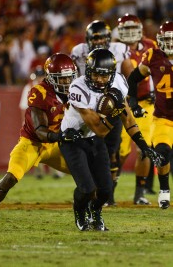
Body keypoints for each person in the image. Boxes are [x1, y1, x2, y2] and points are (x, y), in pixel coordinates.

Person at [0, 53, 78, 231]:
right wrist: (62, 136)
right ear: (50, 78)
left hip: (57, 144)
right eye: (62, 79)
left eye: (69, 78)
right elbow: (40, 131)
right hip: (33, 143)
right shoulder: (39, 92)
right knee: (10, 178)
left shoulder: (76, 92)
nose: (66, 83)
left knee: (88, 174)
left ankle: (88, 215)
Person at [59, 48, 164, 232]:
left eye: (104, 75)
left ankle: (95, 210)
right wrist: (115, 111)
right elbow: (99, 129)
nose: (99, 79)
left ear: (112, 74)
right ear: (88, 72)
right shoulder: (77, 87)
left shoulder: (119, 82)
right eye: (96, 74)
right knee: (87, 189)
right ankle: (80, 211)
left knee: (106, 190)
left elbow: (129, 119)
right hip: (73, 139)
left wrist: (144, 146)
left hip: (94, 140)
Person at [71, 19, 133, 205]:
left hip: (112, 104)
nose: (98, 42)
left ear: (109, 38)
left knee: (112, 151)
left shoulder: (120, 49)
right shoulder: (78, 52)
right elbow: (74, 77)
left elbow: (130, 75)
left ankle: (108, 194)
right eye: (94, 38)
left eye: (101, 38)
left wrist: (129, 98)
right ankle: (94, 192)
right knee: (94, 150)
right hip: (89, 105)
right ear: (87, 39)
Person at [127, 20, 173, 209]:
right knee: (162, 155)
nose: (169, 44)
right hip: (163, 118)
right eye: (165, 40)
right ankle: (164, 189)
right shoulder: (153, 55)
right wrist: (133, 101)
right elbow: (133, 78)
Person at [117, 13, 158, 204]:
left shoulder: (151, 45)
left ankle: (139, 193)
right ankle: (108, 193)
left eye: (134, 29)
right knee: (120, 152)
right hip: (124, 104)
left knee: (144, 148)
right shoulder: (115, 49)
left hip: (147, 104)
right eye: (127, 29)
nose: (131, 33)